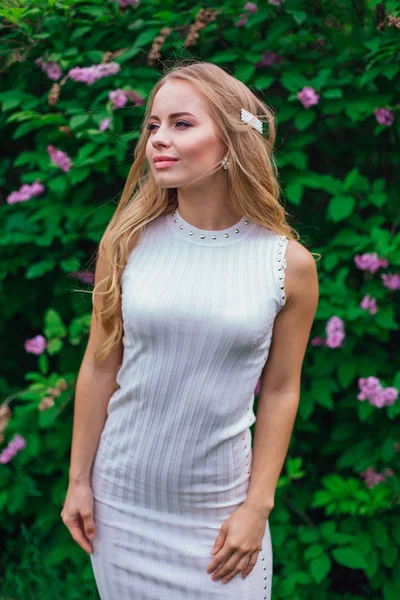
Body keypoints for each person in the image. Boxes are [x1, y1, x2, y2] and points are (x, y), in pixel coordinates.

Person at [61, 60, 319, 599]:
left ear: (231, 140)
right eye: (154, 125)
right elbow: (100, 362)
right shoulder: (126, 244)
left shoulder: (286, 264)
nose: (159, 139)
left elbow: (280, 389)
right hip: (121, 505)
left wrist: (257, 505)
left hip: (219, 515)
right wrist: (79, 480)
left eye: (182, 124)